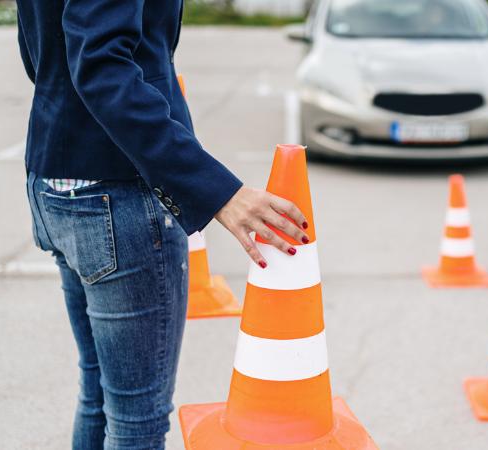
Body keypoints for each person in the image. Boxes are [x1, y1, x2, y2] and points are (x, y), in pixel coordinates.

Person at [16, 1, 310, 448]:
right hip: (117, 191)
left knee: (98, 395)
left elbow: (35, 48)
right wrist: (216, 191)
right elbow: (100, 64)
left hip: (54, 176)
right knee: (137, 422)